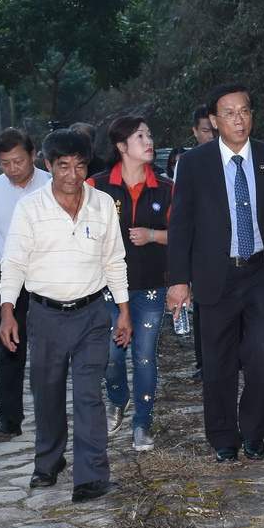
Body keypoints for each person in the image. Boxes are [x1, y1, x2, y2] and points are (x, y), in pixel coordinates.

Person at [0, 128, 131, 503]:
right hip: (44, 315)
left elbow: (114, 260)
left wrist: (123, 311)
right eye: (63, 166)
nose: (72, 175)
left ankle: (90, 476)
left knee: (89, 395)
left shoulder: (103, 204)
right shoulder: (30, 208)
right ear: (48, 165)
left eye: (79, 166)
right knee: (47, 392)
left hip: (92, 313)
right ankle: (48, 462)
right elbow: (13, 263)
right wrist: (8, 311)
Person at [167, 83, 264, 463]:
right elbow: (181, 225)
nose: (239, 120)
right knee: (217, 362)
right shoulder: (193, 163)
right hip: (215, 274)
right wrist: (178, 280)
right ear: (214, 120)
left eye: (244, 111)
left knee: (261, 354)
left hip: (258, 272)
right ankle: (223, 435)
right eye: (229, 113)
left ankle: (254, 431)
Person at [88, 115, 172, 451]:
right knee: (110, 354)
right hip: (106, 287)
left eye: (149, 135)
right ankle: (118, 397)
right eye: (140, 136)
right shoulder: (96, 186)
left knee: (145, 356)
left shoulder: (165, 189)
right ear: (122, 146)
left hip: (151, 285)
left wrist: (153, 235)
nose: (148, 142)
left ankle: (143, 423)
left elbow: (184, 236)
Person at [0, 129, 51, 438]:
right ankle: (8, 419)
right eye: (5, 163)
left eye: (18, 161)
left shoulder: (54, 185)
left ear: (33, 156)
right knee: (9, 348)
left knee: (49, 349)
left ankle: (51, 418)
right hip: (6, 276)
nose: (13, 169)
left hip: (49, 274)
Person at [179, 103, 215, 379]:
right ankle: (205, 362)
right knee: (204, 308)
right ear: (195, 132)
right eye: (205, 131)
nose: (211, 135)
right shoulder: (190, 163)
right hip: (203, 249)